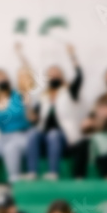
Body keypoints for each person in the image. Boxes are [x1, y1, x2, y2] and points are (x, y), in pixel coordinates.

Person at [25, 45, 86, 179]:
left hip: (64, 138)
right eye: (50, 73)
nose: (53, 75)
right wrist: (28, 108)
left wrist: (72, 56)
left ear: (62, 76)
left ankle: (53, 172)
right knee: (32, 133)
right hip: (44, 137)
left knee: (53, 134)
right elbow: (34, 119)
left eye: (56, 72)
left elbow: (79, 77)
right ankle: (32, 172)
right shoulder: (43, 97)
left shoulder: (69, 92)